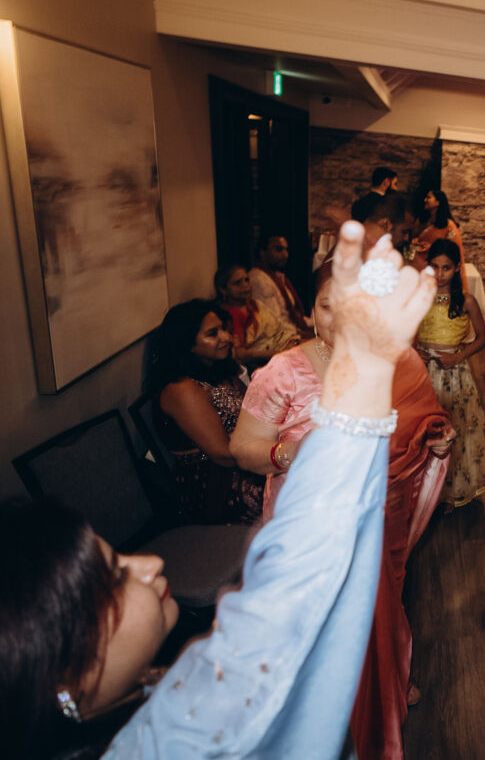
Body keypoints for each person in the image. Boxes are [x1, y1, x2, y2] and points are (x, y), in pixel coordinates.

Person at [0, 222, 437, 759]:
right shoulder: (176, 740)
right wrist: (361, 379)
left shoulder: (156, 695)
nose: (148, 564)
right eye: (112, 579)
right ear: (60, 680)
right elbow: (290, 594)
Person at [230, 262, 455, 758]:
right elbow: (242, 447)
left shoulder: (398, 363)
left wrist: (433, 441)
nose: (338, 317)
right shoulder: (282, 373)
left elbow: (418, 427)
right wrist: (293, 452)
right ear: (311, 312)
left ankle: (383, 684)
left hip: (374, 520)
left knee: (377, 609)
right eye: (327, 305)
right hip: (305, 529)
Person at [148, 299, 263, 524]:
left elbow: (254, 412)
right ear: (188, 344)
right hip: (217, 484)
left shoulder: (217, 369)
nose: (227, 337)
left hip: (245, 460)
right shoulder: (181, 390)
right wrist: (275, 454)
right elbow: (224, 455)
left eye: (223, 329)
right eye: (213, 334)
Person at [417, 238, 485, 509]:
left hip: (454, 372)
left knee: (454, 429)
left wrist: (458, 356)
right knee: (424, 430)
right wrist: (415, 352)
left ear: (457, 268)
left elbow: (484, 338)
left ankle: (450, 490)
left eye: (446, 268)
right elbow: (407, 333)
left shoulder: (466, 301)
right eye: (435, 267)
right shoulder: (420, 298)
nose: (439, 274)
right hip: (423, 371)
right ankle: (424, 490)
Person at [215, 263, 301, 371]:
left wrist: (292, 342)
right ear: (223, 289)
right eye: (237, 283)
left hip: (284, 347)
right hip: (264, 363)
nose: (245, 285)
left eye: (246, 280)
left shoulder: (255, 305)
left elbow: (279, 328)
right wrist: (279, 353)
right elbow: (241, 354)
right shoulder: (228, 315)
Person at [249, 233, 311, 335]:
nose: (285, 255)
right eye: (279, 249)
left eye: (286, 250)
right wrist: (302, 333)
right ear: (262, 252)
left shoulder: (278, 277)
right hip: (281, 338)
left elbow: (291, 317)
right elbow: (273, 324)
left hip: (291, 333)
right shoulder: (258, 279)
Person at [414, 189, 466, 274]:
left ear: (437, 202)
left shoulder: (448, 226)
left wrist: (432, 248)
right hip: (419, 265)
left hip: (438, 269)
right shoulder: (421, 221)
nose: (425, 200)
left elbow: (454, 250)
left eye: (428, 197)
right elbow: (414, 241)